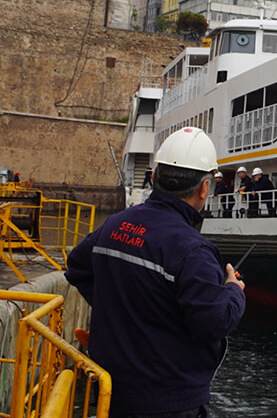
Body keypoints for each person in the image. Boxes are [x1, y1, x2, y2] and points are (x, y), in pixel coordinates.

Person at [65, 127, 245, 418]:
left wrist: (121, 312)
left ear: (155, 177)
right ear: (204, 188)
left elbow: (77, 266)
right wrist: (234, 291)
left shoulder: (115, 225)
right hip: (170, 401)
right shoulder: (194, 250)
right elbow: (214, 321)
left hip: (113, 392)